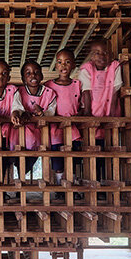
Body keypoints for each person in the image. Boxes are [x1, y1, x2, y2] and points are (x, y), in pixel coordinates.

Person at [78, 39, 123, 187]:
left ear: (110, 55)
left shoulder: (114, 67)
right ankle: (94, 181)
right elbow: (86, 93)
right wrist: (88, 115)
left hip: (110, 111)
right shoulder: (86, 69)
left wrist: (110, 116)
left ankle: (105, 182)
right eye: (97, 53)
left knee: (108, 150)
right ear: (91, 56)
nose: (101, 56)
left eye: (105, 53)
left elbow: (115, 91)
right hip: (93, 113)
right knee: (93, 149)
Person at [12, 59, 57, 178]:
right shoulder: (19, 92)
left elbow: (52, 111)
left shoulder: (49, 93)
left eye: (36, 72)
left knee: (36, 154)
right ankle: (19, 181)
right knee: (20, 157)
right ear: (23, 79)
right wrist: (22, 113)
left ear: (41, 76)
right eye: (28, 73)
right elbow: (16, 107)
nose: (33, 75)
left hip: (40, 132)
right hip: (22, 133)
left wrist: (42, 113)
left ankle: (24, 178)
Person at [45, 48, 82, 193]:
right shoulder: (48, 85)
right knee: (58, 160)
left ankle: (71, 188)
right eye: (59, 62)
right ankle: (60, 187)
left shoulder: (77, 85)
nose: (63, 66)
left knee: (72, 159)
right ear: (55, 66)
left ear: (73, 65)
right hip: (55, 130)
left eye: (67, 62)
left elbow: (82, 106)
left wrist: (77, 117)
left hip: (73, 129)